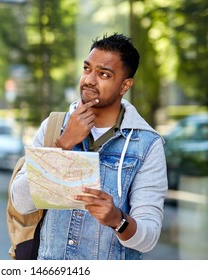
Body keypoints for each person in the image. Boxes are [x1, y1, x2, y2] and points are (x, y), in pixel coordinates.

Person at [10, 33, 168, 260]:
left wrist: (118, 220)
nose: (89, 80)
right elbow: (21, 203)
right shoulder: (53, 126)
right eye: (87, 69)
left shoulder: (146, 145)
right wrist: (63, 144)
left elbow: (149, 237)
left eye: (104, 74)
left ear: (125, 85)